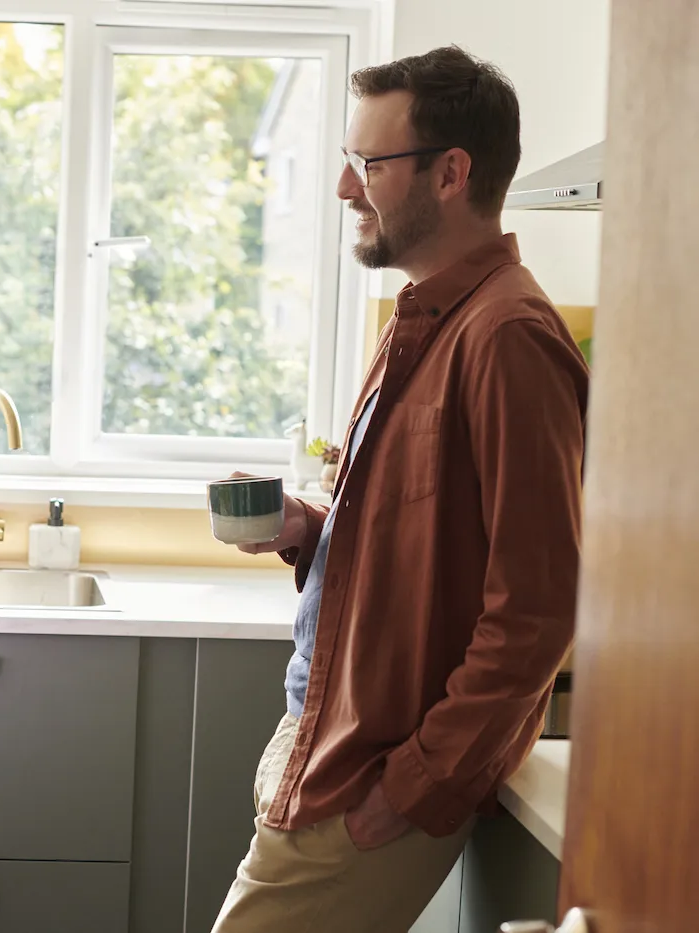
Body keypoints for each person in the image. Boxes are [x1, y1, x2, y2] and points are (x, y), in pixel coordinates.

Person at [212, 46, 587, 932]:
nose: (347, 189)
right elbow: (425, 535)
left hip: (373, 774)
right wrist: (311, 529)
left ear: (451, 173)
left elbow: (536, 606)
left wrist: (418, 785)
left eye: (368, 165)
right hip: (324, 735)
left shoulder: (508, 337)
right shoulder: (424, 317)